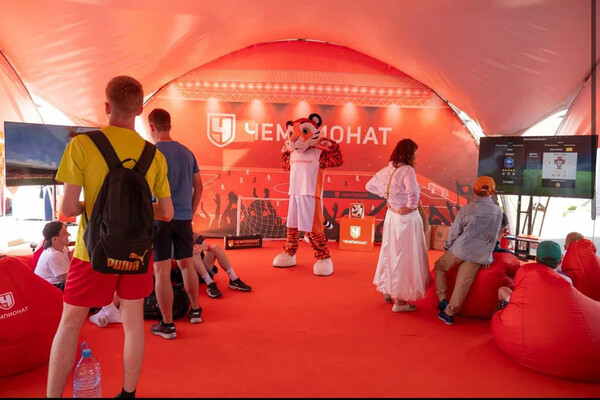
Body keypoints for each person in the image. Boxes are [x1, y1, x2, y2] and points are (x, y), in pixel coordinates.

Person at [46, 76, 173, 398]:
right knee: (133, 322)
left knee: (70, 323)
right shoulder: (154, 155)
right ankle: (128, 393)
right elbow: (167, 213)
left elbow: (67, 210)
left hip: (92, 253)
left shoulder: (82, 145)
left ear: (107, 106)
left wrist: (97, 207)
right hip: (137, 254)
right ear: (140, 110)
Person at [148, 108, 203, 340]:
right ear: (169, 125)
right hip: (183, 218)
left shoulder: (151, 152)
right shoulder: (187, 153)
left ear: (152, 127)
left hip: (160, 218)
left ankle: (168, 324)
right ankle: (196, 310)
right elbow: (199, 185)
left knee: (161, 271)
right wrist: (190, 211)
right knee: (186, 264)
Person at [365, 139, 430, 312]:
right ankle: (400, 301)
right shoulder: (407, 170)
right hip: (406, 219)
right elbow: (413, 192)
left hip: (392, 216)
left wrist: (389, 198)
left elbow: (370, 185)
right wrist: (410, 206)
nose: (416, 156)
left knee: (390, 252)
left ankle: (388, 290)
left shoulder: (389, 169)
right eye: (415, 153)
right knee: (405, 256)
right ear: (410, 153)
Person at [435, 175, 503, 325]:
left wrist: (447, 246)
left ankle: (442, 299)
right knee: (463, 283)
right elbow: (493, 236)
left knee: (439, 266)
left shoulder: (467, 209)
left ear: (474, 190)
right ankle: (449, 313)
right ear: (493, 191)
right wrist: (487, 256)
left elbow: (454, 232)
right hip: (478, 255)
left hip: (460, 249)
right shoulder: (497, 211)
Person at [496, 240, 572, 311]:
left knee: (503, 290)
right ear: (560, 262)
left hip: (525, 311)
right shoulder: (567, 280)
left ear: (536, 260)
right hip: (554, 313)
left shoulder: (525, 272)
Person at [193, 233, 252, 298]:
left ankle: (234, 280)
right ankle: (210, 283)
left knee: (215, 247)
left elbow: (207, 246)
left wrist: (201, 247)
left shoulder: (195, 235)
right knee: (192, 251)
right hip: (191, 275)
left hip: (204, 271)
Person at [35, 221, 70, 290]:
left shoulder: (63, 249)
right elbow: (67, 278)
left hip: (57, 283)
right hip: (48, 288)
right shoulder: (54, 255)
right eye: (65, 233)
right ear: (54, 239)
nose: (69, 234)